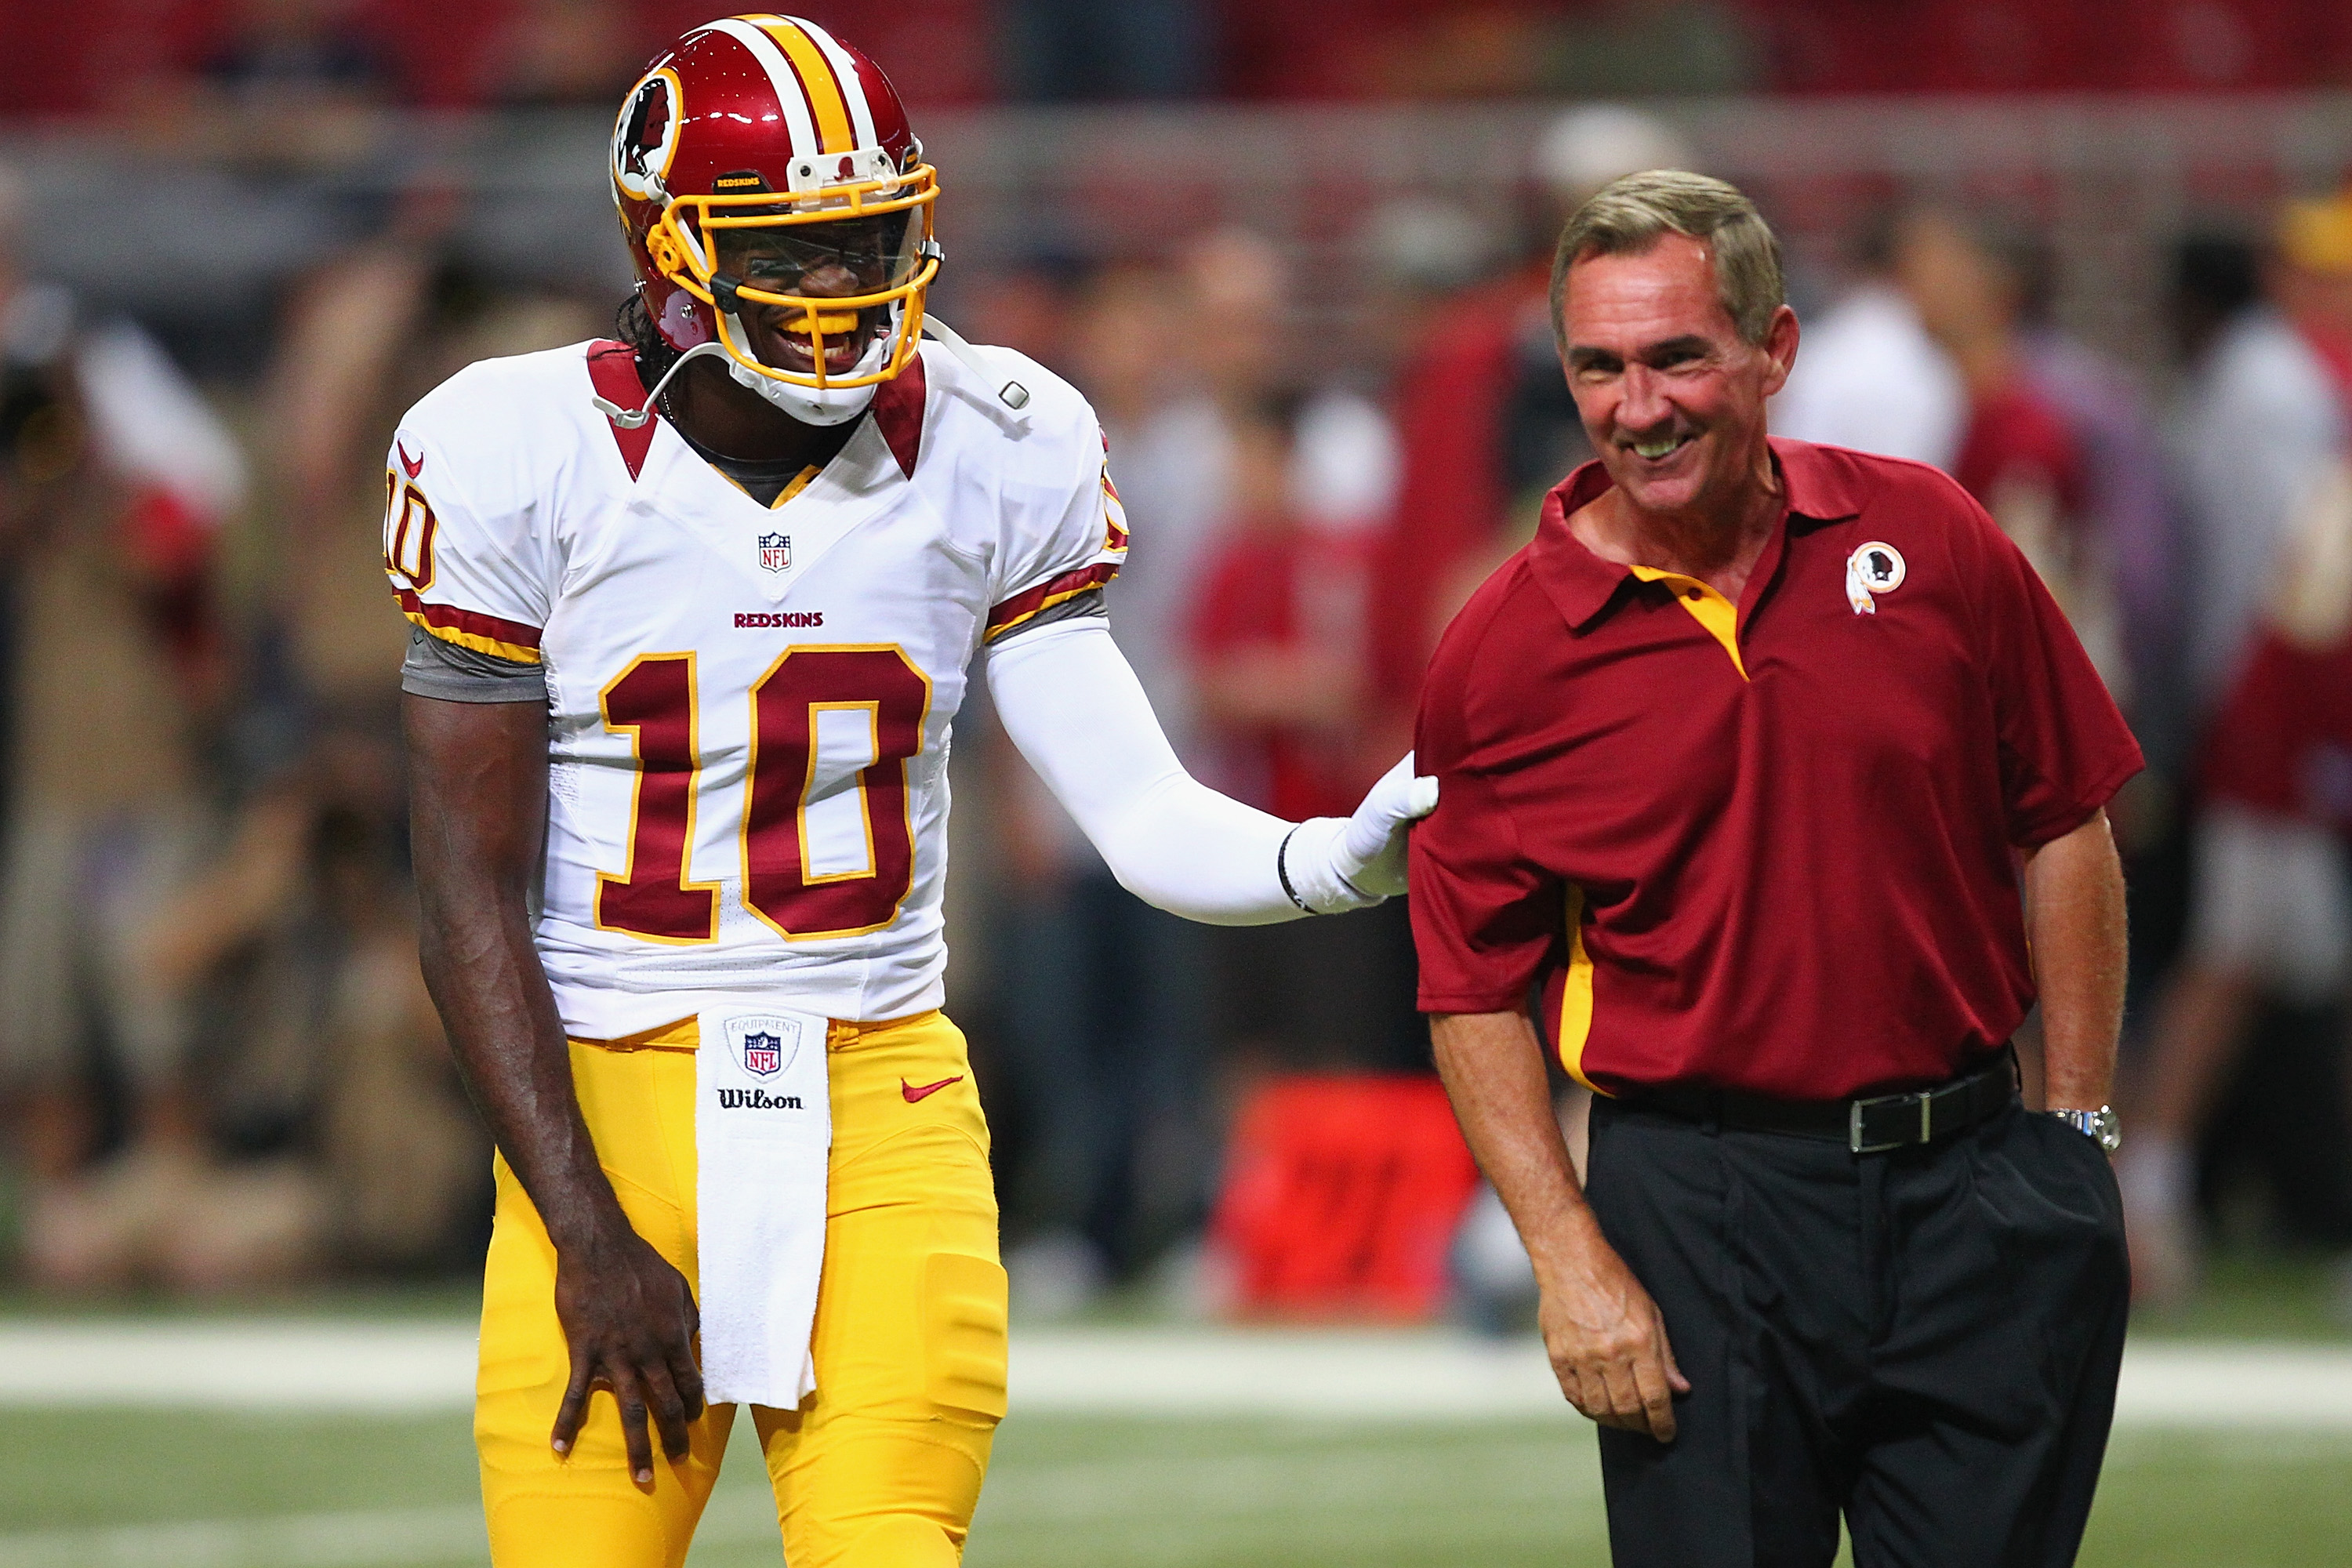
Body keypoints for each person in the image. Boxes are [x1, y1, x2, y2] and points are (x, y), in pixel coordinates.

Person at [392, 18, 1430, 1567]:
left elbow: (1136, 809)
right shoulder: (515, 449)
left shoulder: (1002, 439)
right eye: (794, 253)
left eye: (866, 240)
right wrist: (584, 1224)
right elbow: (464, 882)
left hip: (883, 1093)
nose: (841, 290)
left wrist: (1338, 856)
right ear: (672, 245)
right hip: (605, 1096)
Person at [1410, 171, 2139, 1566]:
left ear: (1775, 351)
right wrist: (1567, 1258)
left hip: (1979, 1185)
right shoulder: (1502, 651)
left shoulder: (1931, 538)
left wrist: (2080, 1132)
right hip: (1696, 1214)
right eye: (1600, 368)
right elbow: (1470, 987)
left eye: (1679, 355)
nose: (1640, 406)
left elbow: (2066, 817)